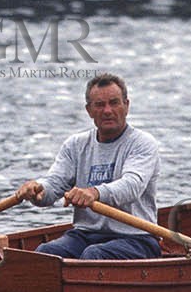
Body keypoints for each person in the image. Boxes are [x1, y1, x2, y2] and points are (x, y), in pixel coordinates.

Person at [16, 73, 162, 260]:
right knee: (46, 255)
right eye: (100, 105)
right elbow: (54, 184)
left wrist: (95, 193)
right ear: (89, 110)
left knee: (94, 255)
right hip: (85, 235)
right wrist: (38, 190)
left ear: (126, 105)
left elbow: (131, 186)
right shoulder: (75, 145)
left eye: (114, 103)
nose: (108, 110)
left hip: (137, 237)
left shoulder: (142, 143)